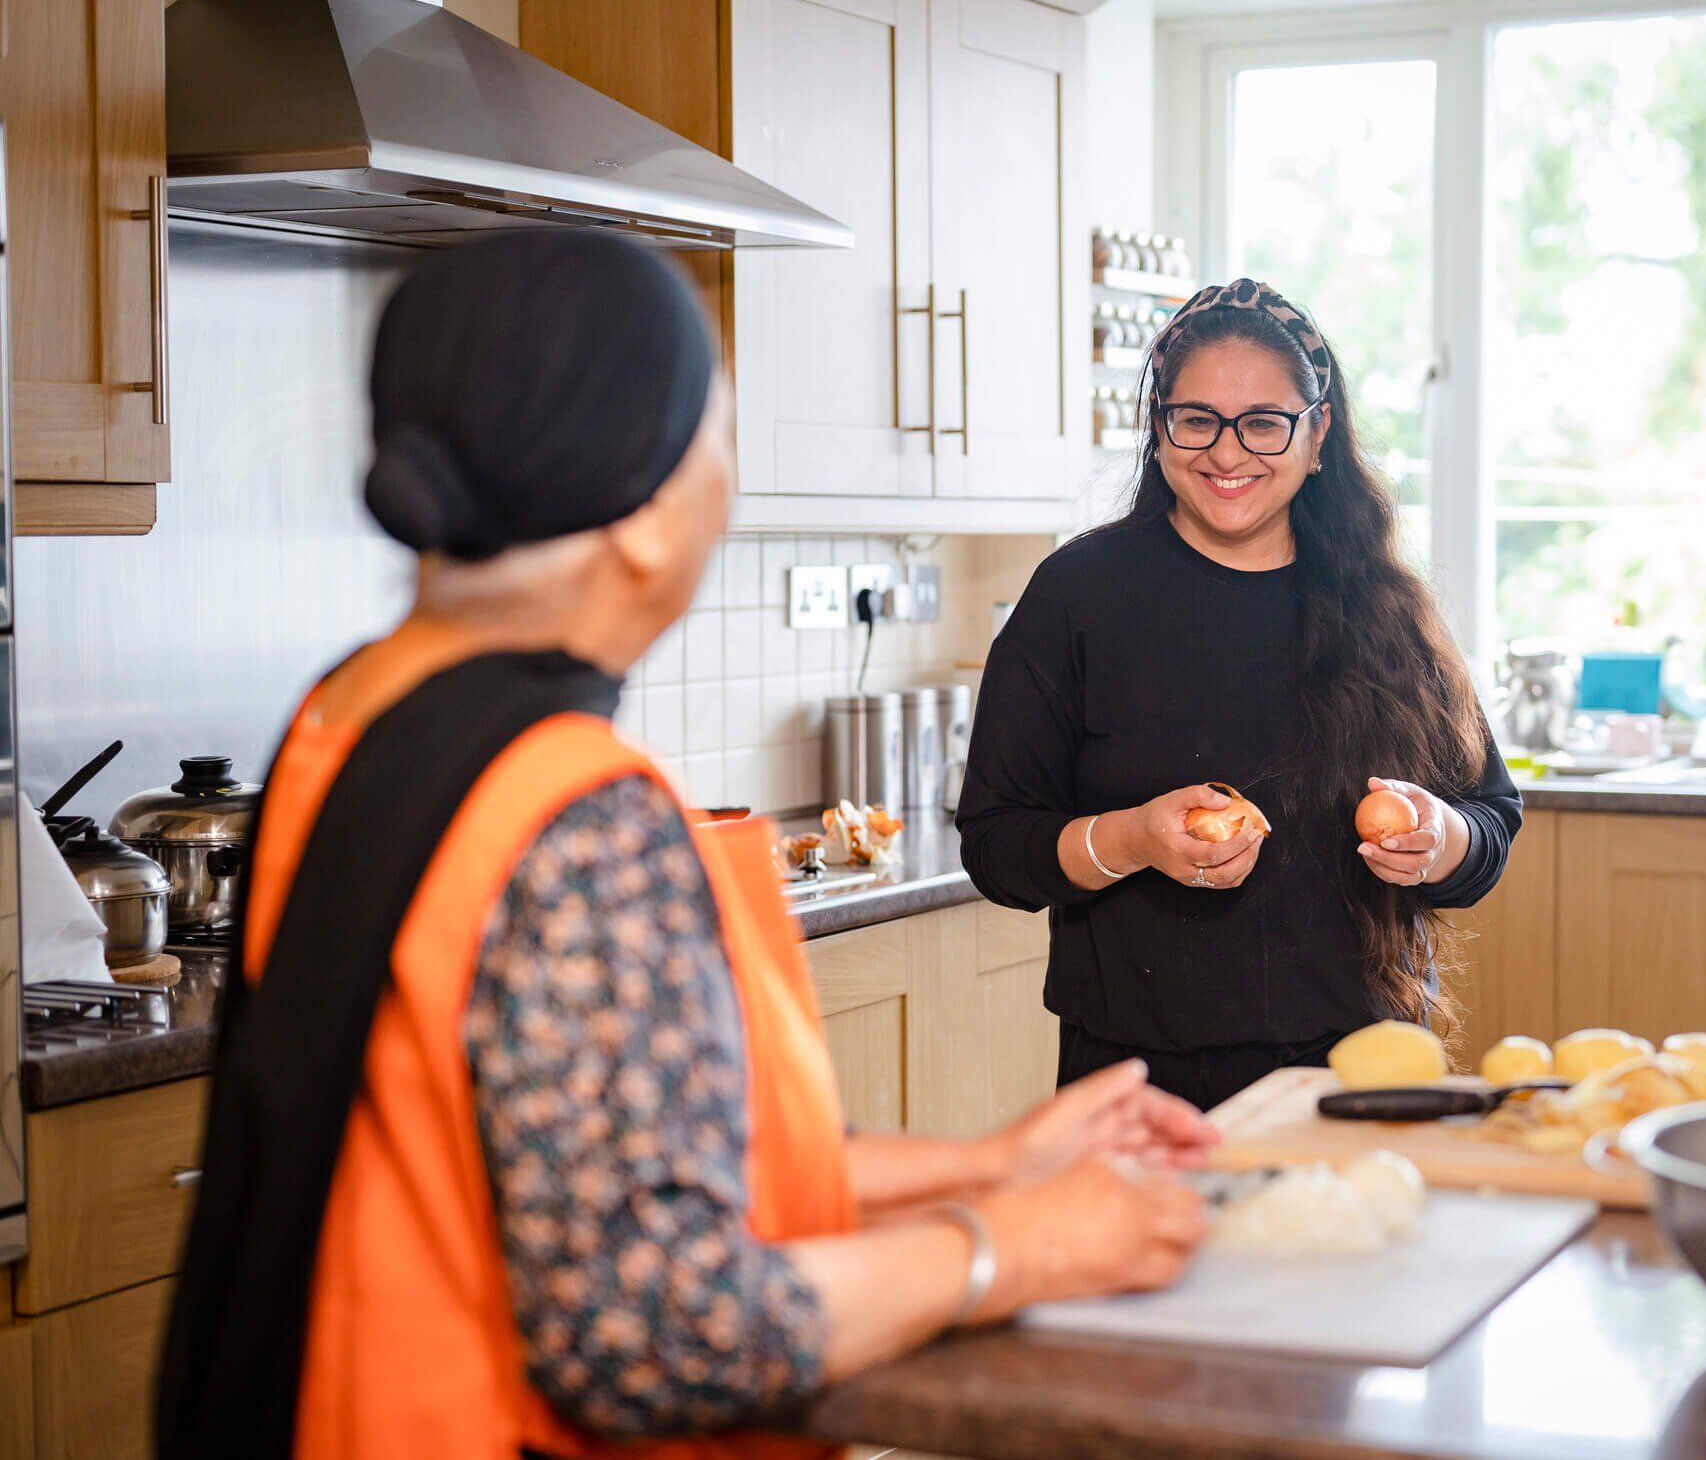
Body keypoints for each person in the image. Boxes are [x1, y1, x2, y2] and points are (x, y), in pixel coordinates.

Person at [154, 231, 1213, 1460]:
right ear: (650, 514)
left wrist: (986, 1164)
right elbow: (659, 1324)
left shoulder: (351, 714)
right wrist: (1012, 1245)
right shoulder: (573, 813)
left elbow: (599, 1160)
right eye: (720, 430)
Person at [956, 277, 1522, 1113]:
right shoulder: (1078, 597)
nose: (1228, 454)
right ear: (1159, 426)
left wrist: (1439, 840)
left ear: (1318, 431)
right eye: (1198, 420)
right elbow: (997, 846)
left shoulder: (1385, 605)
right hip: (1138, 1081)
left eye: (1264, 423)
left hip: (1358, 1070)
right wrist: (1132, 841)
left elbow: (1490, 818)